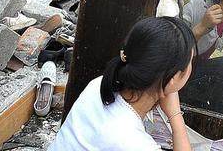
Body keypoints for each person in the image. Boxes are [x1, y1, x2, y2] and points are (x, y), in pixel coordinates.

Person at [49, 17, 195, 151]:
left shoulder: (99, 84)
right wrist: (175, 115)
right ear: (174, 78)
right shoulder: (135, 143)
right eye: (190, 61)